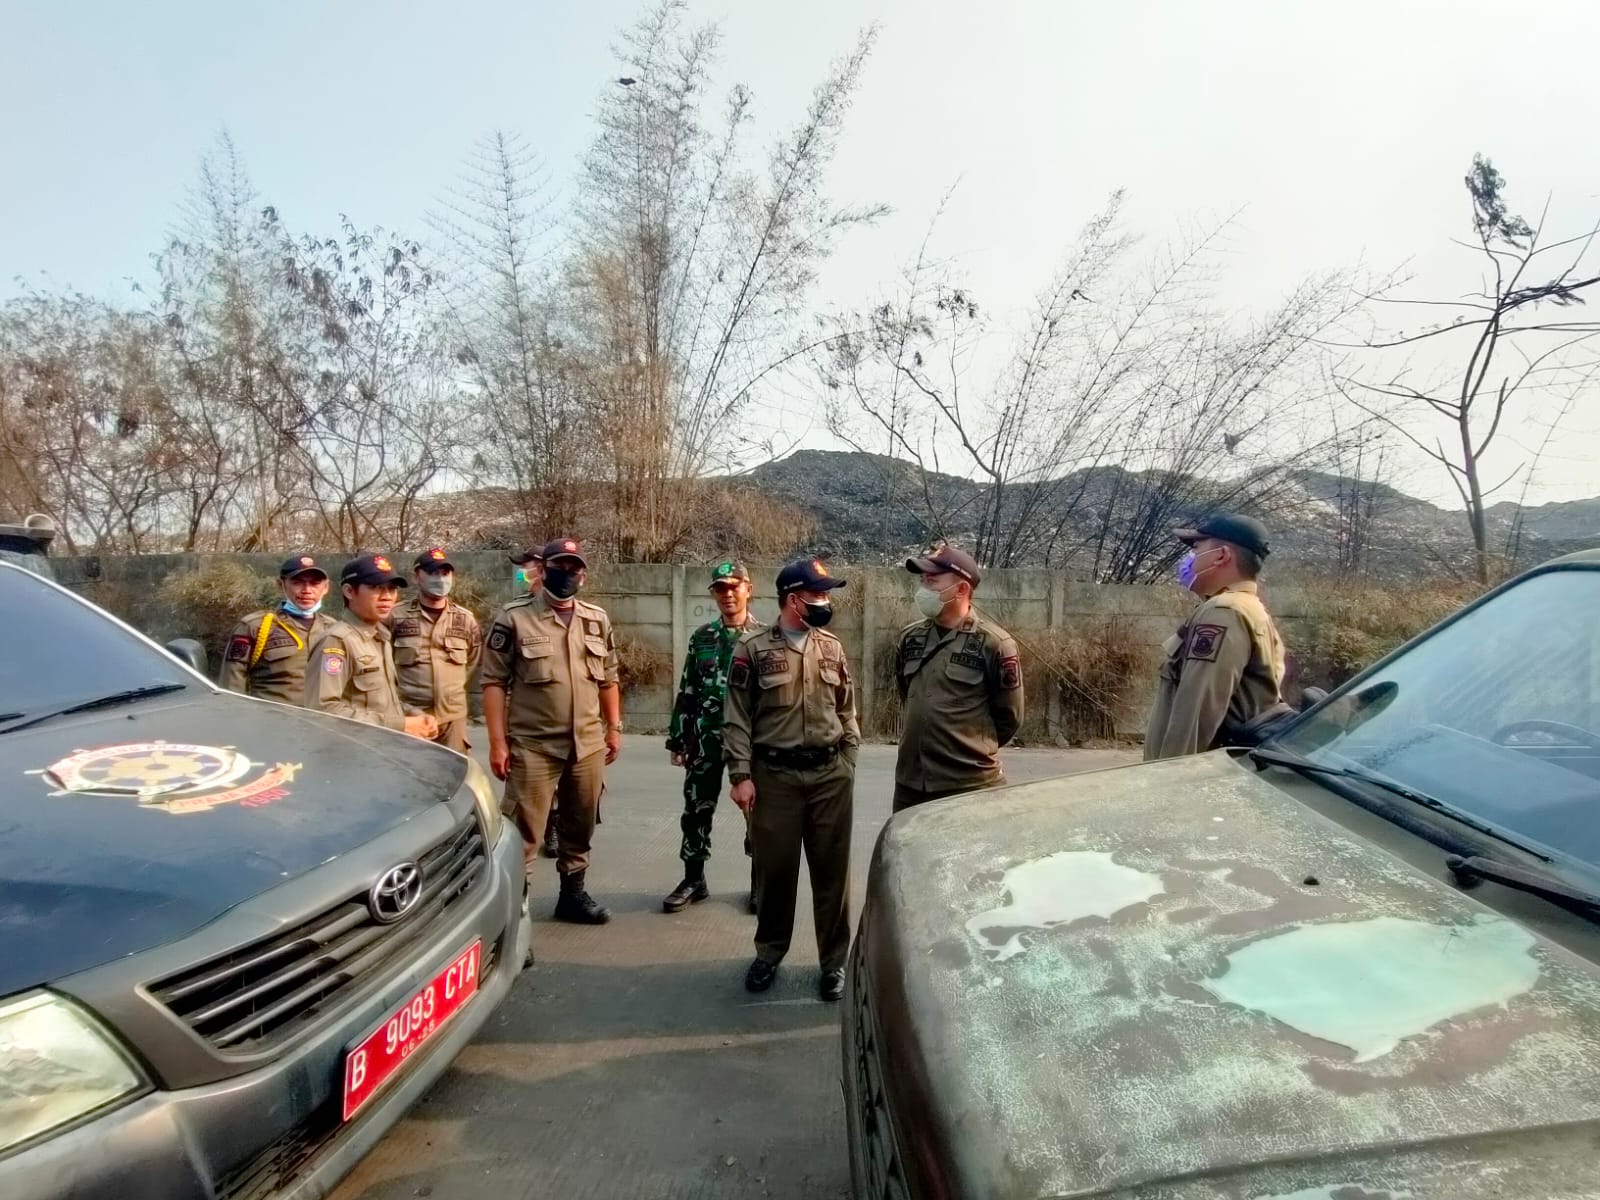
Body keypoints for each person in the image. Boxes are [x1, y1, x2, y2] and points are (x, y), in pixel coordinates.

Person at [724, 557, 859, 1000]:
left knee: (832, 876)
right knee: (775, 873)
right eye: (817, 594)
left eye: (826, 594)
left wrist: (848, 760)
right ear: (792, 599)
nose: (825, 601)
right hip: (775, 778)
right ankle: (769, 952)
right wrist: (741, 774)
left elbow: (847, 709)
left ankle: (833, 963)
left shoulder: (832, 648)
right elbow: (737, 719)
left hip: (828, 776)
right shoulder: (752, 649)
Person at [482, 538, 622, 924]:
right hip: (534, 746)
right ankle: (517, 917)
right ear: (542, 569)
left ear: (584, 574)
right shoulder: (513, 618)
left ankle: (572, 896)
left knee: (579, 825)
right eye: (560, 566)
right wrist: (497, 743)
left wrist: (614, 728)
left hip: (588, 744)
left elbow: (608, 678)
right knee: (523, 835)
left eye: (575, 567)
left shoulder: (597, 618)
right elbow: (493, 683)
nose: (568, 573)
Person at [662, 561, 765, 915]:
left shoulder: (764, 638)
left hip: (750, 741)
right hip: (705, 736)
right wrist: (679, 738)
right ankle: (694, 878)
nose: (728, 594)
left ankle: (758, 883)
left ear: (748, 589)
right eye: (721, 588)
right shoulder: (702, 637)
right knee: (696, 808)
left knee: (757, 812)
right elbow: (688, 688)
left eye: (734, 586)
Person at [894, 543, 1025, 813]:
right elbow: (908, 695)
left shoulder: (995, 644)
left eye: (932, 581)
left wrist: (968, 747)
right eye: (922, 581)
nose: (923, 589)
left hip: (969, 787)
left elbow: (1010, 717)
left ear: (962, 589)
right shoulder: (910, 638)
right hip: (911, 783)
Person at [1144, 513, 1287, 760]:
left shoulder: (1223, 612)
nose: (1190, 559)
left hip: (1192, 780)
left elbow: (1196, 711)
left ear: (1221, 555)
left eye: (1197, 548)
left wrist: (1167, 783)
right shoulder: (1250, 609)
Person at [303, 554, 439, 739]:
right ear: (349, 591)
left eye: (392, 589)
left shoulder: (381, 636)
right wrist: (401, 725)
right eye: (376, 588)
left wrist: (411, 714)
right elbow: (322, 711)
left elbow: (378, 702)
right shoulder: (337, 641)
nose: (386, 597)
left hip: (383, 750)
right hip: (354, 755)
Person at [390, 547, 482, 753]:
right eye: (432, 572)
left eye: (445, 573)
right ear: (416, 577)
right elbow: (383, 664)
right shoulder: (396, 616)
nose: (440, 579)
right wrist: (405, 709)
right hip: (409, 715)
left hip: (452, 718)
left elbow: (472, 662)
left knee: (454, 778)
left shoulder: (465, 619)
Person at [218, 555, 332, 702]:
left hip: (323, 721)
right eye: (297, 583)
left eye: (315, 583)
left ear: (326, 588)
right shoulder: (254, 627)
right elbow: (231, 688)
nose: (307, 590)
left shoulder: (333, 629)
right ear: (281, 585)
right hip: (272, 721)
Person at [509, 545, 560, 860]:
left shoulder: (566, 610)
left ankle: (553, 830)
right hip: (525, 716)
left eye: (527, 566)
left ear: (542, 568)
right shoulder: (514, 612)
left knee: (560, 785)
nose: (522, 572)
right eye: (521, 566)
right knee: (525, 785)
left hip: (558, 712)